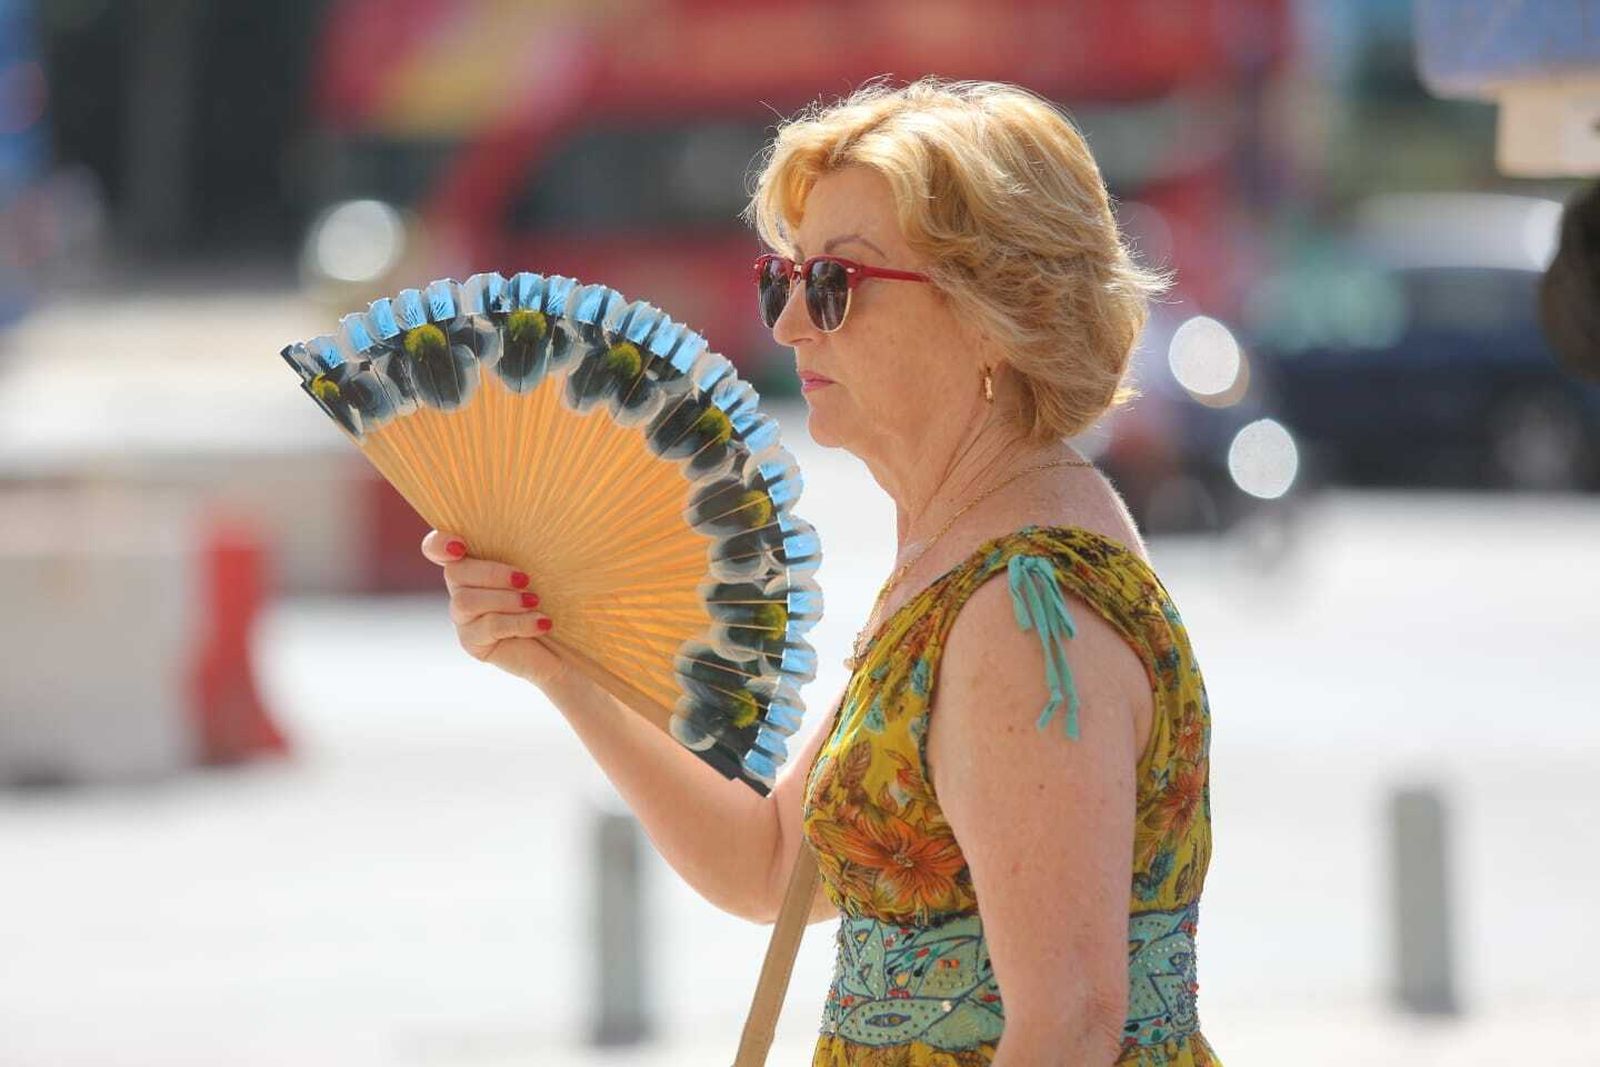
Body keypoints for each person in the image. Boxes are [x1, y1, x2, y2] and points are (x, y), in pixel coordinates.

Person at [420, 77, 1221, 1066]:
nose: (790, 323)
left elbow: (1070, 1026)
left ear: (995, 311)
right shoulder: (962, 553)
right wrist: (560, 662)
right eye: (782, 279)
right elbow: (768, 865)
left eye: (836, 283)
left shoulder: (1022, 607)